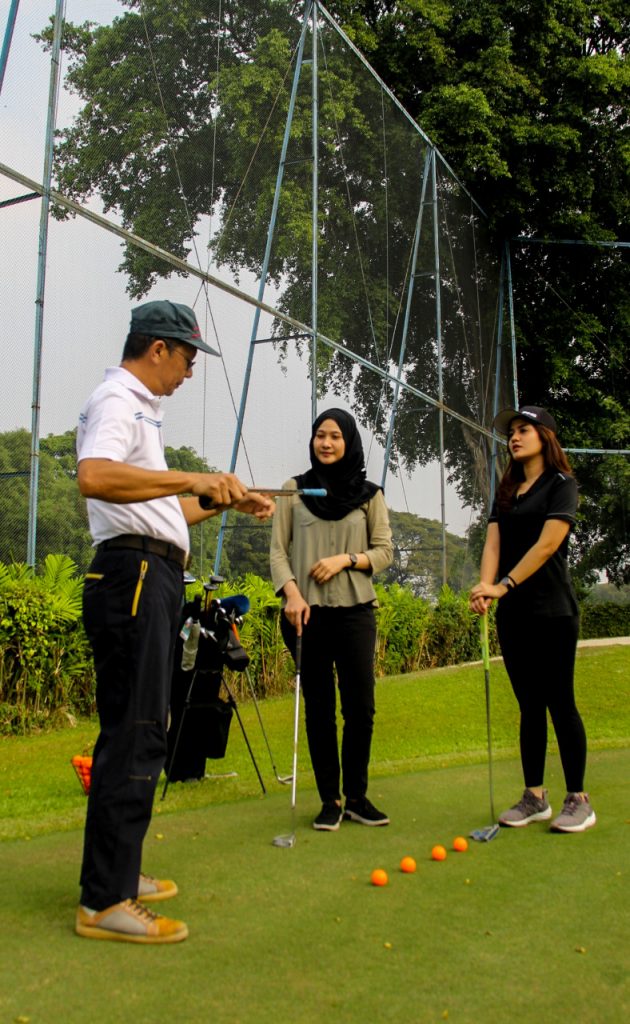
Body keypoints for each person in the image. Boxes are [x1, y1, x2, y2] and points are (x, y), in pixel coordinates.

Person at [75, 300, 274, 944]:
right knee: (136, 733)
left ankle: (119, 875)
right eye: (188, 358)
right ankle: (105, 900)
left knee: (143, 729)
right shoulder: (119, 399)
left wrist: (222, 503)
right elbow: (94, 477)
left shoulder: (142, 412)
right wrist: (192, 476)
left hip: (149, 572)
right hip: (132, 575)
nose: (190, 372)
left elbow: (163, 513)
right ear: (158, 348)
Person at [470, 405, 596, 833]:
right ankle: (535, 797)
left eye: (524, 429)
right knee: (529, 706)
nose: (515, 437)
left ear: (545, 437)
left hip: (554, 612)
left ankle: (579, 799)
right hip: (515, 616)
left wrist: (503, 584)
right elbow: (493, 543)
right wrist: (485, 587)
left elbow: (546, 545)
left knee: (560, 702)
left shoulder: (562, 485)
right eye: (512, 432)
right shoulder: (507, 490)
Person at [270, 408, 393, 831]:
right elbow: (278, 552)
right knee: (319, 710)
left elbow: (384, 551)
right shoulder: (294, 490)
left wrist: (346, 559)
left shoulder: (370, 495)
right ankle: (330, 800)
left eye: (335, 436)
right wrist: (291, 593)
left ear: (349, 442)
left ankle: (357, 797)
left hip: (356, 613)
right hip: (306, 615)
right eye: (320, 435)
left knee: (360, 709)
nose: (326, 443)